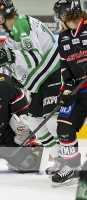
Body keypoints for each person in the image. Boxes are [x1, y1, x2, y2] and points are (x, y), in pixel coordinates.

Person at [0, 0, 62, 178]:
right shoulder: (12, 34)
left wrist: (9, 55)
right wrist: (9, 65)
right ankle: (59, 159)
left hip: (55, 73)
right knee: (35, 123)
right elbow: (20, 62)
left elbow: (34, 58)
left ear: (1, 15)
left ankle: (69, 161)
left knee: (51, 122)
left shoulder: (21, 24)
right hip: (42, 81)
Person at [51, 0, 87, 186]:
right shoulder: (63, 36)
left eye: (59, 15)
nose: (58, 19)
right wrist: (67, 87)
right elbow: (64, 64)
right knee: (64, 126)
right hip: (80, 91)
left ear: (65, 15)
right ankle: (73, 167)